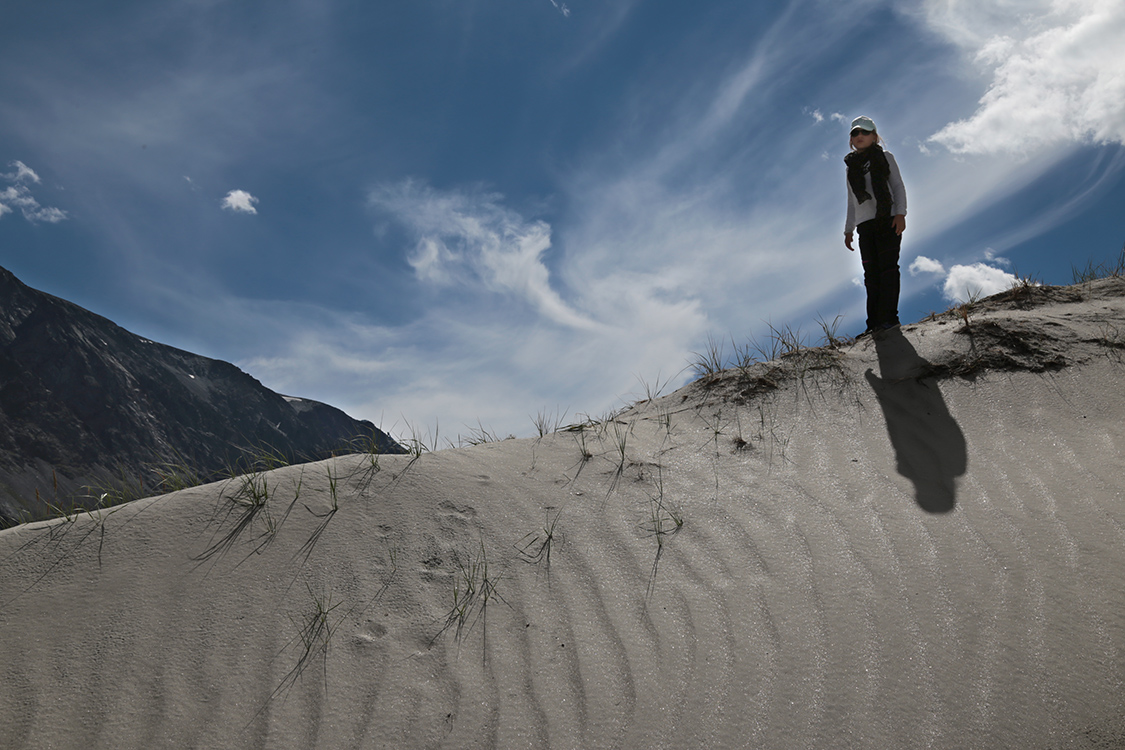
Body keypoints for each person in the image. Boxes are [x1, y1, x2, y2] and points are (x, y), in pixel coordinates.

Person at [844, 115, 907, 336]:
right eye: (855, 133)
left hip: (887, 220)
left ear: (874, 136)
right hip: (864, 226)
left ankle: (889, 319)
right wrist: (848, 230)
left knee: (888, 268)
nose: (859, 136)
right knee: (871, 274)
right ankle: (873, 325)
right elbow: (852, 200)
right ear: (851, 139)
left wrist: (900, 213)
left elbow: (897, 186)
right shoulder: (851, 167)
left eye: (865, 132)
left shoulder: (885, 157)